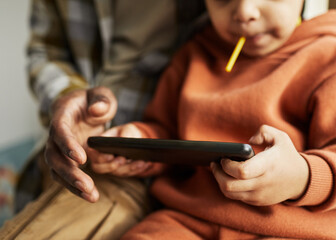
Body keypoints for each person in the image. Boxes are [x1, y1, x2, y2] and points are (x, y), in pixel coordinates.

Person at [81, 0, 336, 239]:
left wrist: (302, 176)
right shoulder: (191, 57)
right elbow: (164, 130)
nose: (245, 12)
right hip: (189, 220)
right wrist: (138, 142)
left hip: (296, 228)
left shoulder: (332, 62)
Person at [0, 0, 205, 239]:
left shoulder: (209, 45)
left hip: (150, 172)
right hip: (70, 154)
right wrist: (67, 97)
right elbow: (46, 52)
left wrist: (147, 140)